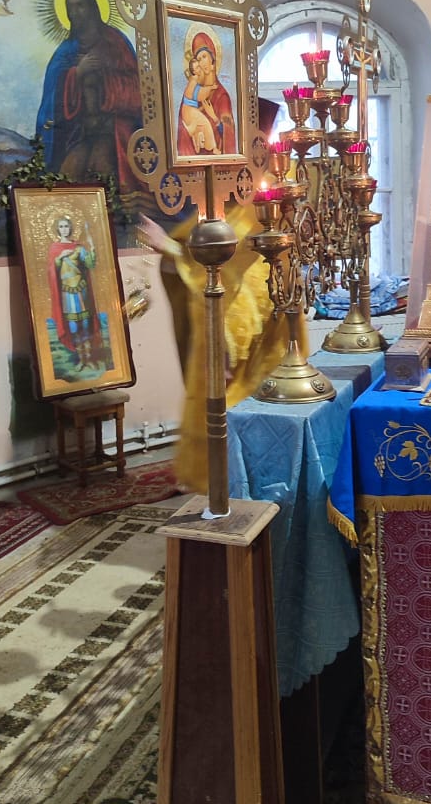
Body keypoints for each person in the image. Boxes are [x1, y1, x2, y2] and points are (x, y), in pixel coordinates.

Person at [138, 196, 307, 495]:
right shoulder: (222, 209)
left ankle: (241, 485)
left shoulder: (255, 215)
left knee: (238, 411)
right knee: (214, 410)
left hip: (246, 337)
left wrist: (171, 249)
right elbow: (197, 262)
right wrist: (172, 251)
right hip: (214, 328)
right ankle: (218, 485)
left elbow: (237, 274)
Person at [36, 0, 142, 190]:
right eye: (70, 7)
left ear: (93, 8)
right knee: (68, 173)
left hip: (111, 129)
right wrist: (77, 73)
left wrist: (104, 80)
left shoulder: (115, 42)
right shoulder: (66, 50)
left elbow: (137, 86)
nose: (74, 12)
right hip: (79, 133)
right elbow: (53, 91)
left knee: (101, 168)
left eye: (80, 5)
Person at [47, 215, 101, 372]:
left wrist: (92, 251)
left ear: (70, 228)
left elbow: (90, 264)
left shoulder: (78, 248)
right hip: (67, 294)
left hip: (81, 291)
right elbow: (52, 271)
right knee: (73, 327)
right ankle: (80, 360)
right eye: (61, 226)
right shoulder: (54, 249)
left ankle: (88, 359)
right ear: (58, 229)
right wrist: (59, 258)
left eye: (66, 226)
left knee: (85, 326)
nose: (64, 229)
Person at [177, 30, 236, 156]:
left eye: (204, 57)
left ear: (212, 59)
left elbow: (228, 135)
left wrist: (214, 118)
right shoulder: (191, 92)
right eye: (198, 59)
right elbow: (182, 132)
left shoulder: (221, 96)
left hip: (218, 162)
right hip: (195, 163)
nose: (202, 62)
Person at [180, 56, 221, 154]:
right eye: (197, 68)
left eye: (199, 66)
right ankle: (213, 148)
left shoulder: (196, 79)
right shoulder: (194, 79)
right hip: (189, 110)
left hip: (190, 109)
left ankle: (197, 145)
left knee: (200, 127)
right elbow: (198, 95)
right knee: (206, 123)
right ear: (193, 71)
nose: (200, 69)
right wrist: (211, 88)